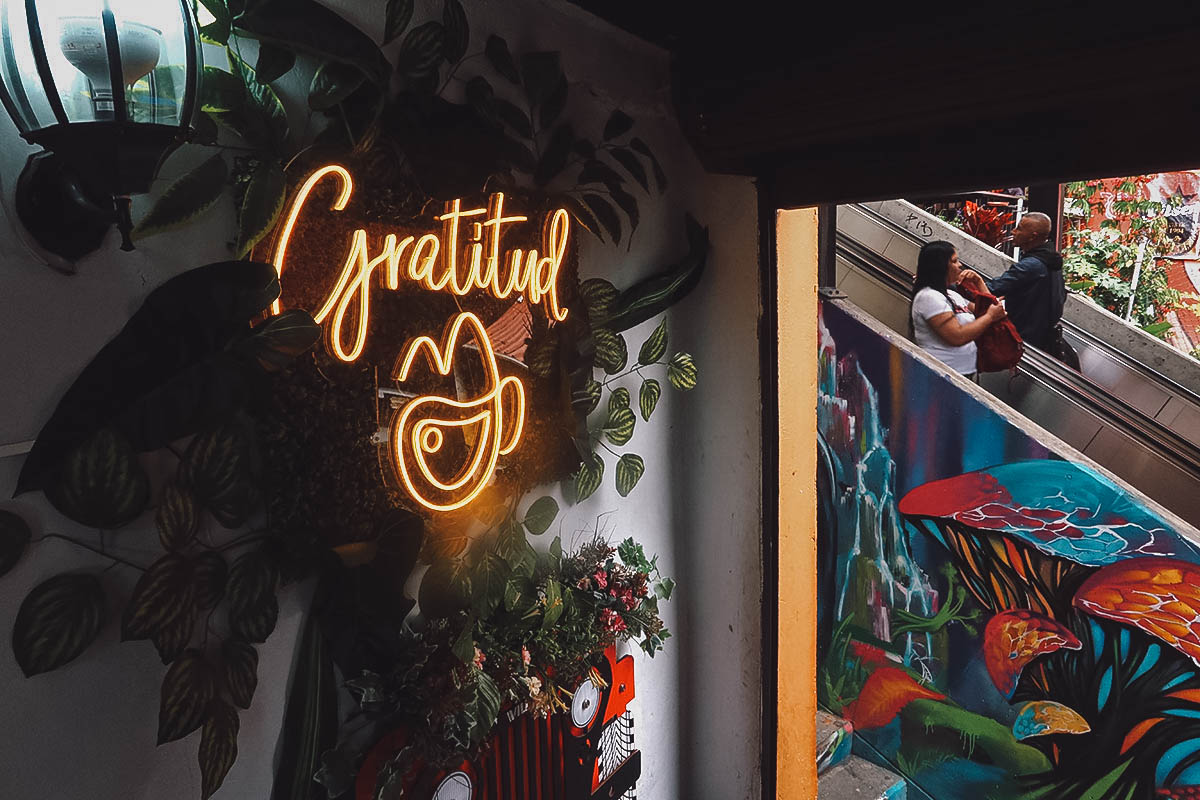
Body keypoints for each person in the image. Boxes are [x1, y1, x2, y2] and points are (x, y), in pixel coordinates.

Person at [962, 212, 1065, 352]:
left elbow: (993, 288)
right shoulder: (1051, 260)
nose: (1014, 231)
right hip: (1042, 337)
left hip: (1023, 338)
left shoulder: (1030, 265)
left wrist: (953, 285)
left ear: (1032, 236)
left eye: (1019, 228)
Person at [911, 240, 1008, 377]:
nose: (960, 265)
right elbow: (957, 336)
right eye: (954, 261)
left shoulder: (952, 295)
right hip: (941, 375)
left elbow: (990, 309)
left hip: (963, 372)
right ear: (941, 266)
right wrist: (990, 317)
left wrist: (979, 282)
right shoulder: (928, 297)